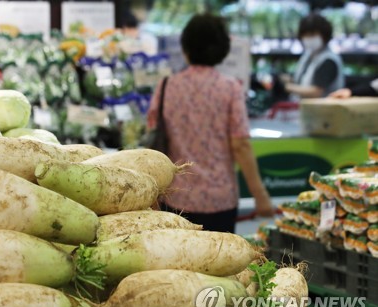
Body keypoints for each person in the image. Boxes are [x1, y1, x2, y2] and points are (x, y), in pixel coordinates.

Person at [146, 14, 273, 233]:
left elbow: (153, 143)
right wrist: (260, 196)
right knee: (220, 264)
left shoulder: (166, 87)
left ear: (185, 48)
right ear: (222, 50)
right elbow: (241, 146)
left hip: (176, 198)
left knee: (177, 264)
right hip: (220, 201)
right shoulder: (231, 88)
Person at [283, 14, 345, 99]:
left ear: (324, 35)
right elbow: (303, 82)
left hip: (323, 110)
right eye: (306, 35)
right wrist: (289, 80)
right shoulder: (308, 55)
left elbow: (316, 91)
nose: (309, 38)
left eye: (312, 34)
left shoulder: (329, 60)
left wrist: (288, 87)